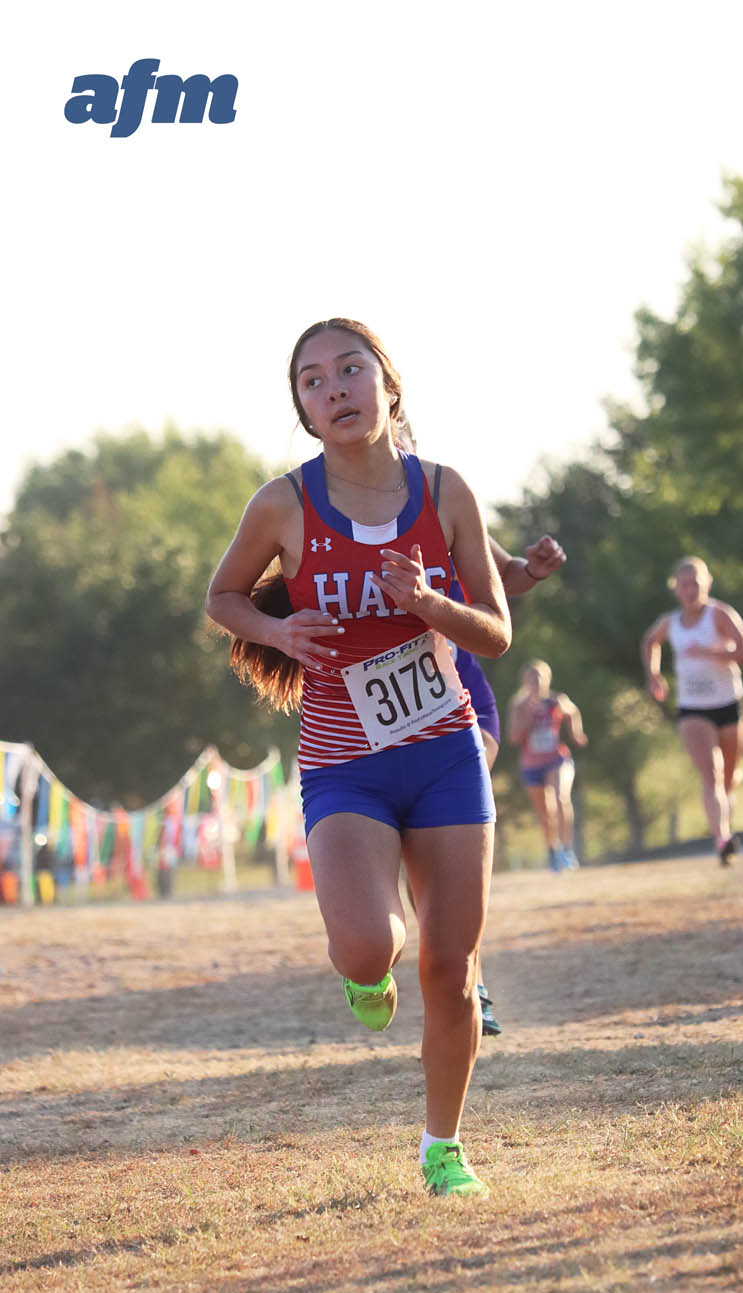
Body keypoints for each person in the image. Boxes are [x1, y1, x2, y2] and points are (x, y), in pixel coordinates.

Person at [206, 317, 512, 1198]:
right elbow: (222, 596)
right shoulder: (282, 504)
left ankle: (442, 1148)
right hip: (346, 763)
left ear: (389, 386)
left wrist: (431, 605)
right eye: (313, 380)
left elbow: (493, 632)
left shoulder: (446, 492)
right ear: (303, 410)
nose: (334, 388)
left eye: (350, 370)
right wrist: (275, 629)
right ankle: (367, 977)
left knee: (450, 969)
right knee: (364, 947)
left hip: (445, 750)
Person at [446, 533, 566, 1034]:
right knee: (412, 852)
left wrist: (533, 569)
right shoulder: (328, 509)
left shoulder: (441, 497)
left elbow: (506, 575)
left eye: (403, 446)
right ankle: (371, 949)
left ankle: (472, 979)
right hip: (371, 719)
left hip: (465, 701)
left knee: (447, 846)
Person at [640, 555, 743, 865]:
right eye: (684, 585)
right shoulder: (670, 622)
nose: (690, 590)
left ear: (706, 584)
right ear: (676, 589)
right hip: (692, 707)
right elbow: (650, 641)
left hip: (728, 703)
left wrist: (713, 652)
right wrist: (654, 675)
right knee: (712, 774)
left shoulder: (719, 615)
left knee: (730, 777)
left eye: (695, 584)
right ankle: (721, 840)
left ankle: (724, 829)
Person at [506, 660, 588, 871]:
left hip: (557, 759)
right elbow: (513, 738)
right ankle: (553, 851)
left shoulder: (556, 701)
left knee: (561, 799)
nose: (536, 682)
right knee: (545, 814)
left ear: (547, 680)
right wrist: (529, 719)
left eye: (539, 678)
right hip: (531, 765)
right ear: (524, 681)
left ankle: (567, 850)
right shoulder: (518, 705)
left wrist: (576, 733)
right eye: (531, 678)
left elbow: (574, 711)